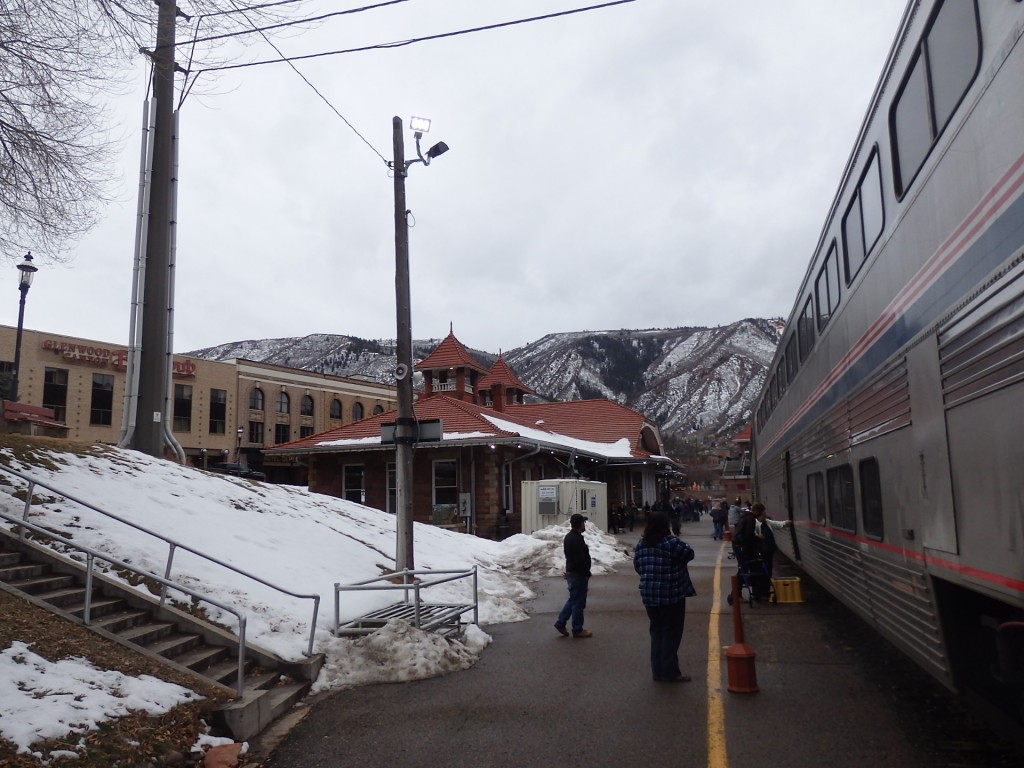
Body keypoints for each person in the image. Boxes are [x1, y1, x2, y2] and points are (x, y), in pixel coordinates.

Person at [633, 511, 697, 683]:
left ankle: (657, 671)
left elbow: (637, 566)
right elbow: (689, 554)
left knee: (656, 631)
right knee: (671, 633)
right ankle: (670, 672)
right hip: (671, 594)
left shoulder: (642, 543)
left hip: (649, 594)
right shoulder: (671, 542)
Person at [555, 513, 593, 638]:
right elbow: (579, 560)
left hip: (573, 573)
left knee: (573, 599)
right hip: (578, 575)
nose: (584, 525)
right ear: (579, 524)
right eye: (583, 523)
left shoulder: (570, 537)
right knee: (578, 602)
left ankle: (561, 622)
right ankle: (577, 629)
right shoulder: (576, 539)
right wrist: (586, 573)